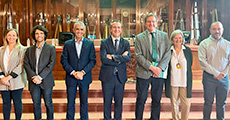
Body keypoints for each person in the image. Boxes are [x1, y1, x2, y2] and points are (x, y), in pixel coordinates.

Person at [135, 13, 171, 120]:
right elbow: (138, 55)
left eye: (153, 21)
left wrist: (159, 68)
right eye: (149, 21)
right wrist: (152, 67)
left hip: (159, 73)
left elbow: (167, 53)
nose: (151, 24)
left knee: (156, 99)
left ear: (157, 23)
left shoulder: (164, 36)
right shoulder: (139, 37)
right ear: (145, 24)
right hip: (144, 72)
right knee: (141, 99)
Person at [61, 21, 96, 120]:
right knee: (70, 102)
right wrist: (73, 72)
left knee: (84, 102)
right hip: (71, 77)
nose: (79, 31)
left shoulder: (89, 44)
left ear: (84, 31)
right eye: (77, 29)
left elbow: (92, 61)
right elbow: (63, 60)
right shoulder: (67, 44)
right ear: (73, 30)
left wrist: (82, 72)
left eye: (81, 29)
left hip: (84, 77)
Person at [99, 19, 131, 120]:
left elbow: (128, 58)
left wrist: (113, 57)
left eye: (118, 27)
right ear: (110, 29)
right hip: (107, 77)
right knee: (107, 102)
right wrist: (120, 58)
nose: (116, 29)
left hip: (120, 77)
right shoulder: (104, 42)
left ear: (121, 29)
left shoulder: (126, 43)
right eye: (114, 27)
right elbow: (103, 59)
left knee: (119, 102)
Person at [198, 21, 230, 120]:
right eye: (214, 29)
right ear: (210, 30)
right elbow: (203, 61)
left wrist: (223, 73)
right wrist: (216, 73)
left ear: (222, 30)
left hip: (224, 78)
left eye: (219, 29)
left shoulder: (228, 44)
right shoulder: (204, 44)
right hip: (209, 78)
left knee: (221, 103)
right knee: (208, 102)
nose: (217, 31)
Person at [24, 25, 56, 120]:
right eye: (37, 33)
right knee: (36, 104)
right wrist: (34, 76)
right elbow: (26, 64)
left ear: (45, 35)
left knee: (48, 103)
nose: (39, 35)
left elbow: (51, 64)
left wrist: (40, 77)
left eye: (41, 33)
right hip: (33, 82)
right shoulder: (29, 50)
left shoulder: (51, 48)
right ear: (34, 35)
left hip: (46, 81)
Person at [165, 29, 193, 120]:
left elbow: (190, 64)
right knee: (174, 104)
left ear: (183, 39)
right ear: (172, 39)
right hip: (173, 81)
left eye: (180, 38)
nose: (178, 40)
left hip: (184, 80)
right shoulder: (169, 51)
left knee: (186, 104)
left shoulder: (187, 50)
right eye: (176, 38)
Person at [0, 28, 27, 120]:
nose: (11, 37)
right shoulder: (1, 49)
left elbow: (21, 65)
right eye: (9, 35)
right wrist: (2, 77)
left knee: (17, 102)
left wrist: (8, 77)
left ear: (17, 37)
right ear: (6, 37)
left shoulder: (22, 49)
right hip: (3, 82)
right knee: (6, 103)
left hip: (17, 80)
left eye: (13, 35)